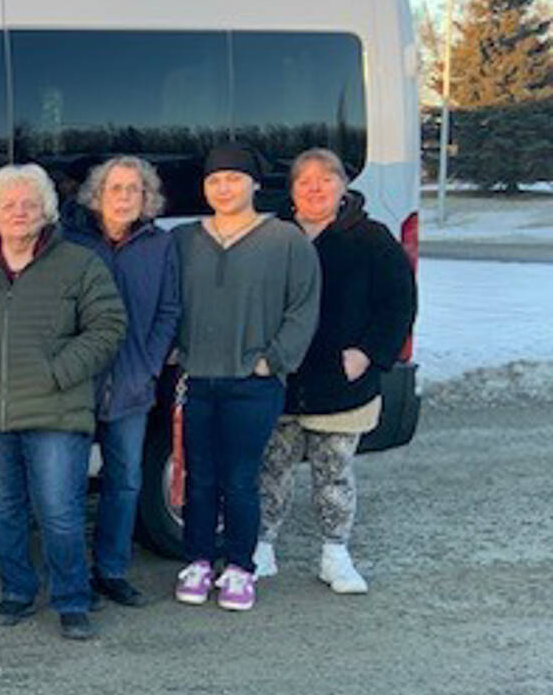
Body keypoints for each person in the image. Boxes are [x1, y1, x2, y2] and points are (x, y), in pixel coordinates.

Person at [0, 164, 126, 641]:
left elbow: (108, 326)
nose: (19, 213)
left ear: (46, 211)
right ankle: (17, 592)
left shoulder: (79, 263)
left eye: (29, 204)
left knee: (59, 511)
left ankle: (72, 598)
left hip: (55, 410)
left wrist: (57, 373)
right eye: (8, 205)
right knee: (4, 508)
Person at [255, 148, 416, 593]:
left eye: (325, 179)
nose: (315, 188)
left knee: (334, 472)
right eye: (304, 180)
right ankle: (262, 545)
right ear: (291, 190)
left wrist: (368, 354)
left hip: (341, 379)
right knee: (272, 468)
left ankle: (335, 553)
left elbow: (399, 303)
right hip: (282, 378)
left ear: (342, 186)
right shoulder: (273, 236)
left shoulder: (371, 238)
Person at [171, 144, 320, 612]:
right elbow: (167, 299)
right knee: (198, 478)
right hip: (197, 379)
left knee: (239, 478)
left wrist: (273, 360)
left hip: (253, 382)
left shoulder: (284, 240)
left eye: (234, 178)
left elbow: (303, 306)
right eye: (214, 180)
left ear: (255, 184)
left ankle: (239, 567)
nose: (224, 188)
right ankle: (197, 560)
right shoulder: (184, 239)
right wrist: (174, 348)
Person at [64, 156, 182, 609]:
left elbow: (169, 309)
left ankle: (111, 571)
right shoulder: (72, 242)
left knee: (126, 480)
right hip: (78, 384)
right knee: (69, 483)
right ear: (98, 195)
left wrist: (150, 364)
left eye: (134, 189)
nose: (125, 197)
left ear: (146, 197)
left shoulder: (160, 244)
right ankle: (73, 575)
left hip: (133, 383)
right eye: (116, 188)